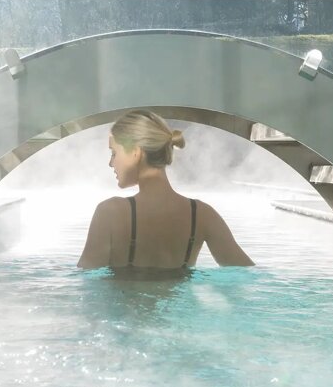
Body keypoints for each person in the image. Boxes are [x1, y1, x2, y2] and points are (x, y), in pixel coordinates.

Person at [77, 109, 254, 271]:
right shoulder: (202, 215)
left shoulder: (110, 213)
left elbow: (86, 283)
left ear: (136, 153)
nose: (110, 163)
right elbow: (247, 273)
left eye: (114, 153)